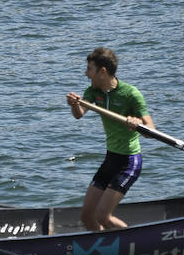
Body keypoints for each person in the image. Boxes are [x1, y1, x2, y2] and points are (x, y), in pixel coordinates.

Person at [65, 47, 153, 232]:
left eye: (89, 69)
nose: (86, 73)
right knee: (87, 216)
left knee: (103, 216)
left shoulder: (131, 94)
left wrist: (137, 123)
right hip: (110, 159)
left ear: (102, 71)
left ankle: (137, 245)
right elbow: (79, 114)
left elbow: (150, 131)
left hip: (128, 162)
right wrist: (74, 104)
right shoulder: (93, 91)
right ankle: (106, 252)